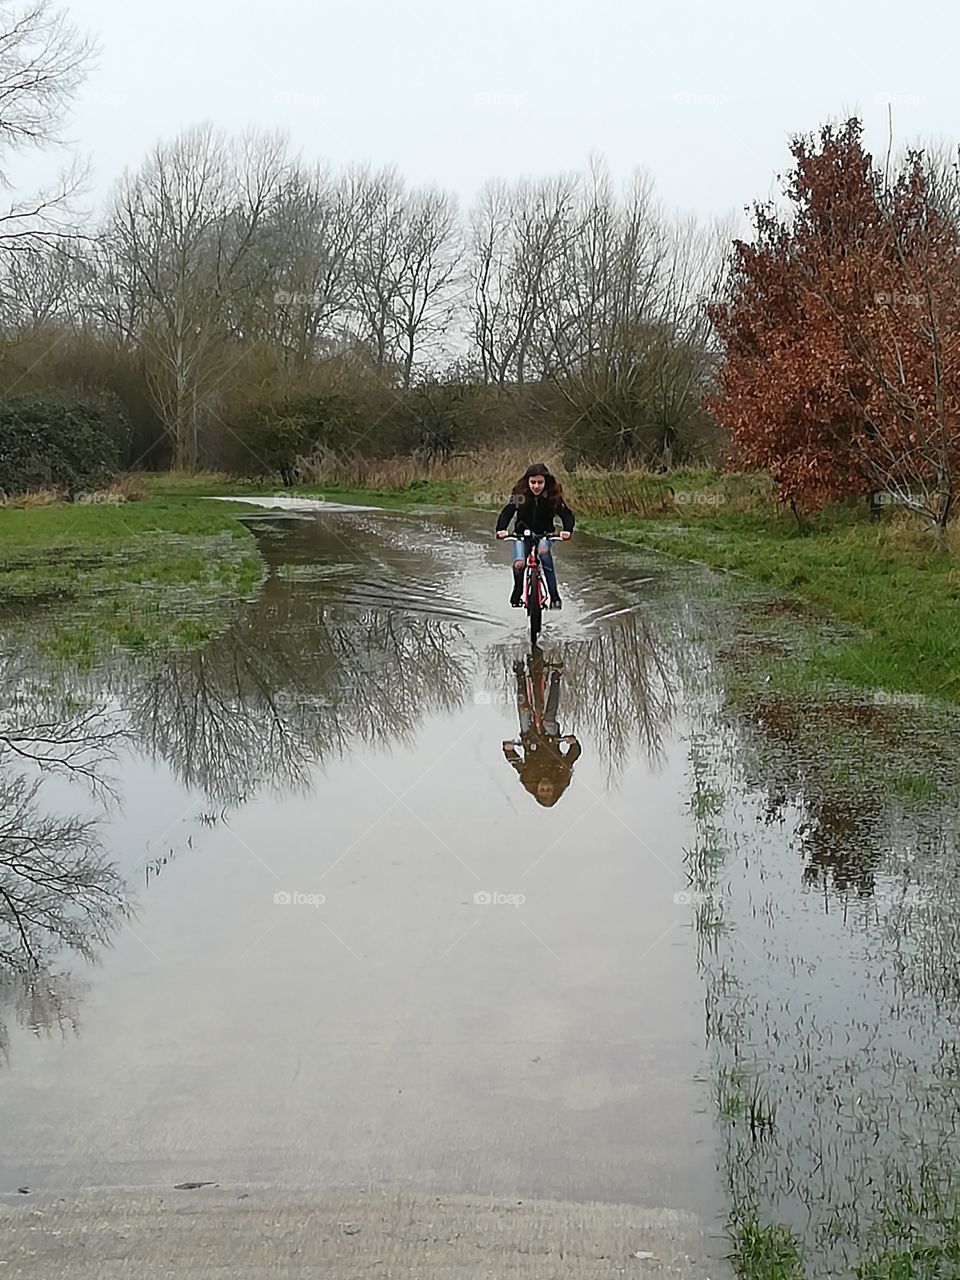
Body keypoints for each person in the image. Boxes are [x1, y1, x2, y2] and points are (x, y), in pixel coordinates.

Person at [502, 653, 581, 807]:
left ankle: (520, 675)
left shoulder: (528, 778)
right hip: (550, 737)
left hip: (529, 737)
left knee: (524, 711)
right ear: (554, 788)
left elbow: (515, 762)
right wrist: (572, 742)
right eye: (548, 790)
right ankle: (556, 675)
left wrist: (508, 749)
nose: (545, 787)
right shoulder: (562, 775)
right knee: (548, 720)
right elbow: (573, 755)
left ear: (537, 790)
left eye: (542, 790)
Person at [495, 462, 574, 608]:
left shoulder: (552, 496)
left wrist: (567, 530)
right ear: (527, 481)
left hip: (545, 535)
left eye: (540, 482)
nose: (536, 486)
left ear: (546, 482)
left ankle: (554, 596)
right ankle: (517, 591)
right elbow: (507, 512)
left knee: (543, 552)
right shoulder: (520, 495)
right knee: (519, 564)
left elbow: (566, 515)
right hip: (522, 535)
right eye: (533, 482)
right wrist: (501, 529)